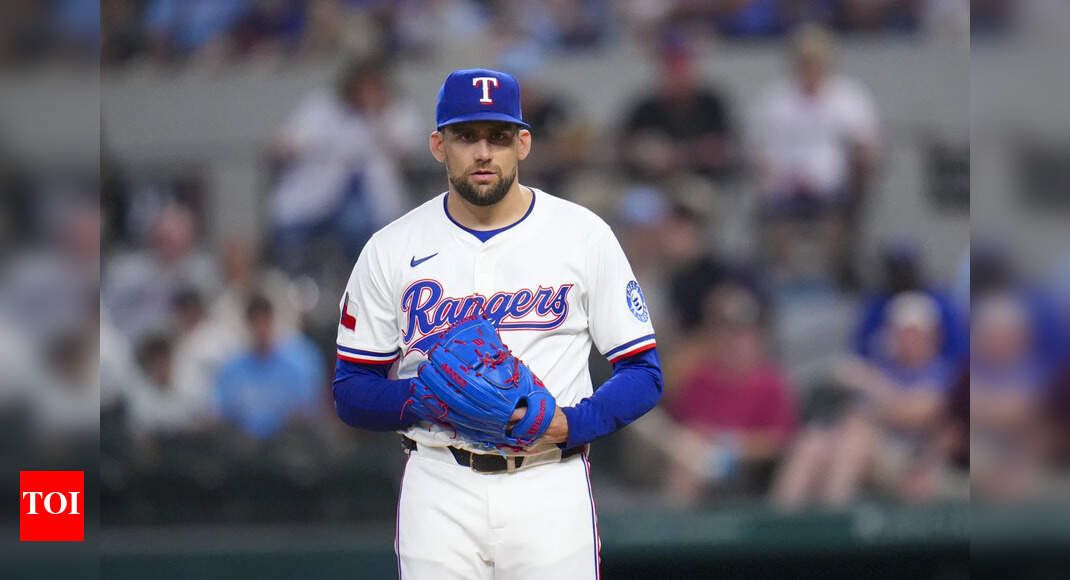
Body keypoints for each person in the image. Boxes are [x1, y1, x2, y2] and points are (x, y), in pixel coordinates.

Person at [331, 68, 663, 578]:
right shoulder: (391, 248)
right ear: (438, 145)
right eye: (466, 136)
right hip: (439, 482)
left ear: (523, 143)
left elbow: (644, 372)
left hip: (549, 481)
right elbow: (351, 390)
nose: (483, 152)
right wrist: (425, 399)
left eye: (499, 136)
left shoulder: (583, 235)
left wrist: (572, 424)